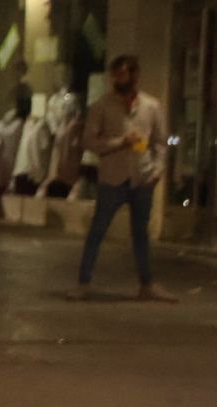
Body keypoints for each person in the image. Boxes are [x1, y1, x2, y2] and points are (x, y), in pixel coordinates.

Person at [68, 55, 175, 302]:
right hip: (112, 178)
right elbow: (89, 141)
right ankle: (83, 282)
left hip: (142, 178)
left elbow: (161, 142)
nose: (118, 79)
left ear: (135, 75)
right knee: (98, 230)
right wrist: (119, 142)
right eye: (115, 75)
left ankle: (146, 284)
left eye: (123, 74)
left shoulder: (151, 106)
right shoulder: (101, 106)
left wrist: (157, 172)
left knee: (140, 233)